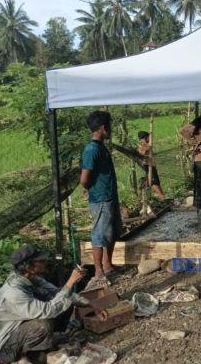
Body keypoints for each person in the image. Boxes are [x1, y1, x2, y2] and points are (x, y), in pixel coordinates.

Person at [0, 245, 108, 364]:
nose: (45, 261)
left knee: (65, 301)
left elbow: (58, 293)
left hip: (19, 330)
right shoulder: (14, 293)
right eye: (40, 260)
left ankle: (40, 348)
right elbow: (48, 310)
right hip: (3, 346)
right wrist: (70, 282)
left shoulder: (32, 278)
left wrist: (91, 304)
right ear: (29, 267)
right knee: (43, 324)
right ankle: (16, 357)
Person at [80, 111, 121, 286]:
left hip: (109, 196)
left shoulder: (101, 147)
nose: (111, 129)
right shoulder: (92, 150)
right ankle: (98, 271)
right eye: (109, 126)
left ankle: (107, 264)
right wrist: (89, 188)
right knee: (99, 233)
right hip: (101, 198)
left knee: (111, 231)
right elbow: (84, 179)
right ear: (103, 128)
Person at [137, 131, 166, 200]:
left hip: (151, 164)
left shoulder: (146, 144)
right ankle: (161, 196)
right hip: (147, 165)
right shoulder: (142, 144)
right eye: (148, 137)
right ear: (144, 138)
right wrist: (148, 147)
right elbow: (142, 153)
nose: (150, 139)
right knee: (154, 181)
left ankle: (162, 195)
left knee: (155, 180)